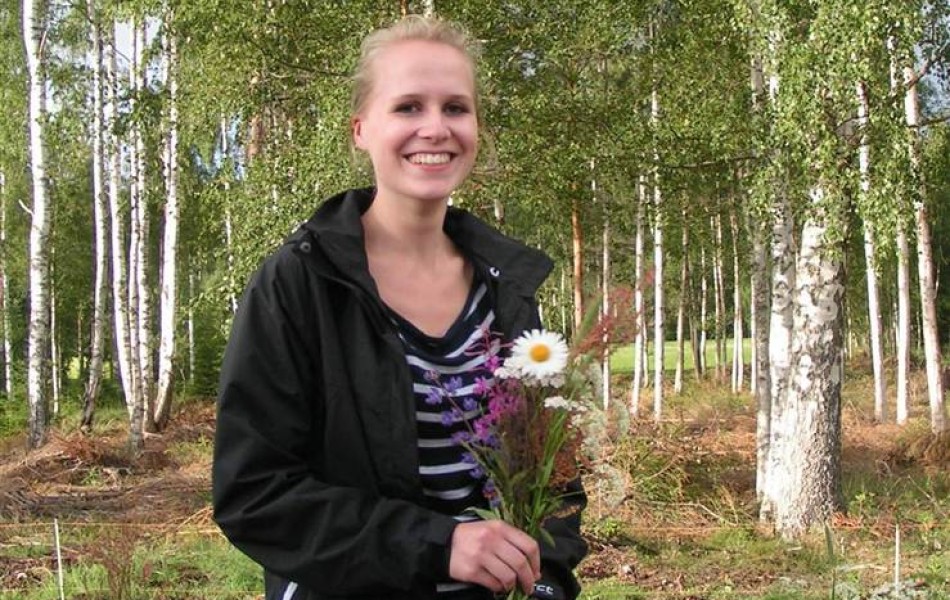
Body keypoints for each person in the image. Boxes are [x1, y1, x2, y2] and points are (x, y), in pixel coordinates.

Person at [212, 15, 587, 600]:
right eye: (408, 106)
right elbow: (255, 494)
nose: (435, 128)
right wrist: (440, 545)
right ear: (361, 129)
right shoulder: (300, 283)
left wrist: (546, 582)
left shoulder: (506, 289)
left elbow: (554, 479)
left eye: (456, 108)